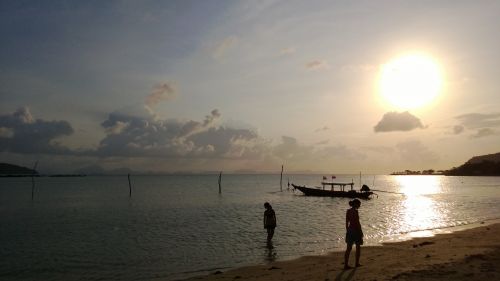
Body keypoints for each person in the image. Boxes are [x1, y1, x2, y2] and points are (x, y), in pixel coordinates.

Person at [344, 199, 363, 269]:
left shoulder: (348, 211)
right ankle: (357, 263)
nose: (359, 206)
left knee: (348, 248)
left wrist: (347, 230)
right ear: (355, 204)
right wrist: (361, 232)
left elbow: (346, 222)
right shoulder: (355, 211)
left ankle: (346, 264)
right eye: (359, 204)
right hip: (356, 231)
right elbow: (357, 223)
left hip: (350, 230)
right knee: (358, 247)